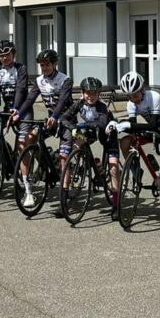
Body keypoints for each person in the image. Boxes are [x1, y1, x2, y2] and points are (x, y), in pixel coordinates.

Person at [109, 71, 160, 231]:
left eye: (135, 95)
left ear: (142, 90)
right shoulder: (131, 104)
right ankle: (136, 170)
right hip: (152, 131)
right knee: (126, 141)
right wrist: (117, 125)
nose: (132, 99)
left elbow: (153, 124)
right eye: (128, 96)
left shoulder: (154, 97)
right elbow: (134, 128)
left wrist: (127, 125)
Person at [15, 49, 73, 209]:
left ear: (55, 64)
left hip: (67, 121)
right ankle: (33, 181)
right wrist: (18, 114)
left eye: (47, 65)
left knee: (64, 158)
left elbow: (62, 102)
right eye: (42, 66)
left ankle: (64, 198)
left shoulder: (65, 79)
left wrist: (55, 116)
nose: (45, 68)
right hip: (50, 121)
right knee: (29, 139)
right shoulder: (40, 80)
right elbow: (29, 100)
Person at [59, 77, 111, 217]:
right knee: (78, 143)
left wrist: (83, 125)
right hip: (88, 131)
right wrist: (72, 127)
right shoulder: (79, 104)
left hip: (104, 130)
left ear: (98, 94)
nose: (91, 96)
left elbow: (101, 122)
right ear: (82, 93)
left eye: (94, 93)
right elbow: (64, 117)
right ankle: (91, 164)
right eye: (88, 93)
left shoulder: (101, 106)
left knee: (108, 153)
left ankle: (99, 168)